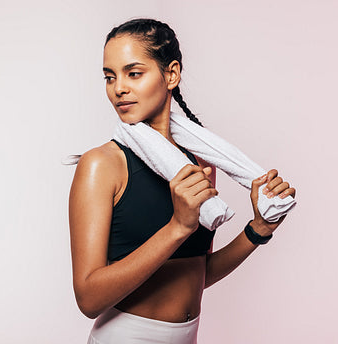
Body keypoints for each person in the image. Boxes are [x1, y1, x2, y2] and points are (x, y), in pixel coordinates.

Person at [68, 18, 296, 344]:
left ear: (171, 74)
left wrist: (258, 229)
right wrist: (178, 227)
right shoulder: (102, 165)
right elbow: (88, 299)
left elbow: (197, 273)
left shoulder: (200, 163)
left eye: (133, 73)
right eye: (109, 77)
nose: (118, 88)